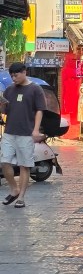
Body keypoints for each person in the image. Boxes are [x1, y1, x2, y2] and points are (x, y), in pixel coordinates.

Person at [1, 62, 46, 209]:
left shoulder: (35, 89)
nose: (14, 78)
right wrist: (1, 104)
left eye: (16, 75)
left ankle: (21, 197)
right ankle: (14, 189)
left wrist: (35, 130)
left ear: (24, 72)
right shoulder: (9, 90)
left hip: (26, 133)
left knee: (24, 165)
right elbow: (5, 111)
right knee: (4, 162)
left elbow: (39, 110)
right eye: (12, 76)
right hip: (9, 132)